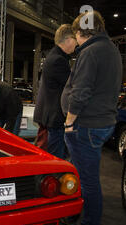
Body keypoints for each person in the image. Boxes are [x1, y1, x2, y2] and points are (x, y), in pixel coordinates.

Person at [57, 10, 122, 225]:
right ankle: (77, 219)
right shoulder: (111, 50)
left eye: (77, 35)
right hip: (100, 123)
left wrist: (69, 121)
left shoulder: (91, 51)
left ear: (81, 32)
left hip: (85, 125)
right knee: (82, 176)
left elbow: (81, 92)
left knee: (88, 181)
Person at [33, 24, 77, 158]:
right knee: (55, 158)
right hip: (54, 116)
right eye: (75, 40)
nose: (77, 44)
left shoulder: (54, 56)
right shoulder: (59, 60)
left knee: (51, 154)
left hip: (50, 115)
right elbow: (71, 86)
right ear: (69, 39)